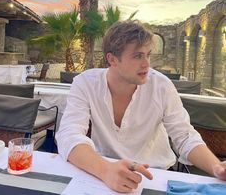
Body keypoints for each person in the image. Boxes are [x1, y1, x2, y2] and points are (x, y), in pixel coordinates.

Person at [56, 20, 226, 193]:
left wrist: (216, 167)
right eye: (137, 56)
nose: (146, 63)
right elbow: (69, 134)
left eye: (148, 54)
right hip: (102, 172)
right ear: (112, 59)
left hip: (155, 176)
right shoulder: (86, 83)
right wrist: (105, 170)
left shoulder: (161, 86)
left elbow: (184, 136)